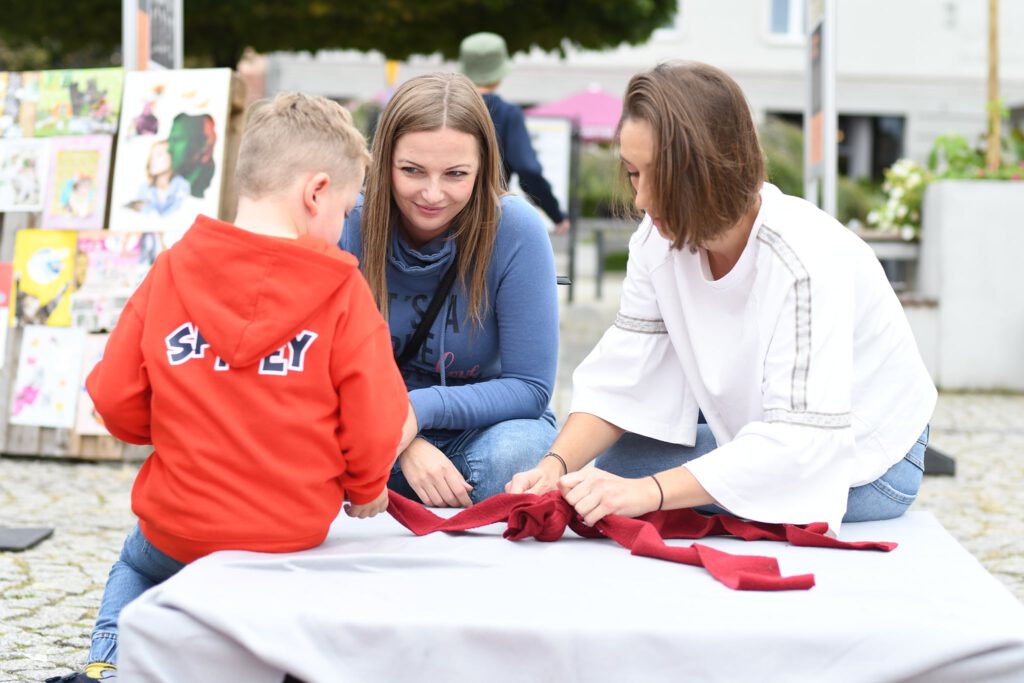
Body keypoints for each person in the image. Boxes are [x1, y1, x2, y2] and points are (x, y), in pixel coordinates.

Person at [48, 92, 408, 682]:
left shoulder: (170, 269)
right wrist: (366, 486)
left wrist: (166, 424)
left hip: (179, 529)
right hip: (286, 536)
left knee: (134, 562)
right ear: (317, 192)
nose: (344, 228)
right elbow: (375, 419)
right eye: (345, 210)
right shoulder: (343, 294)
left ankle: (107, 660)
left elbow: (113, 396)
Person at [507, 61, 937, 534]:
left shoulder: (804, 258)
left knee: (626, 483)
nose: (641, 201)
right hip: (771, 431)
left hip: (867, 462)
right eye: (633, 174)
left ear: (714, 166)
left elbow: (804, 444)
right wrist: (555, 465)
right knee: (609, 469)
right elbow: (624, 377)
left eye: (659, 177)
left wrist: (648, 492)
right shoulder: (656, 240)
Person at [340, 72, 559, 508]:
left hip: (480, 429)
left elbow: (530, 387)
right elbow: (316, 376)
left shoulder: (516, 231)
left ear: (483, 170)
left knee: (519, 456)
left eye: (456, 174)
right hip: (361, 426)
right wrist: (403, 443)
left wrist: (418, 410)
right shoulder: (347, 224)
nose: (432, 194)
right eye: (412, 171)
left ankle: (389, 489)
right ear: (384, 162)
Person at [459, 32, 571, 235]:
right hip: (487, 221)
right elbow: (528, 170)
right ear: (500, 73)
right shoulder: (508, 114)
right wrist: (556, 215)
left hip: (444, 214)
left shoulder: (449, 109)